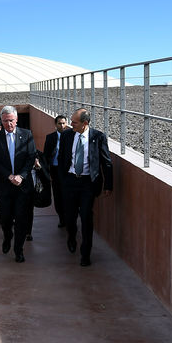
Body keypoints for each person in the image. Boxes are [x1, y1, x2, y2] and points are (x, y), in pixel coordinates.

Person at [58, 108, 113, 267]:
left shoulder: (98, 137)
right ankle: (71, 236)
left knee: (86, 217)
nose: (70, 124)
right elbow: (62, 159)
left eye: (74, 122)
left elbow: (106, 162)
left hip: (88, 183)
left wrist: (108, 185)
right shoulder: (66, 136)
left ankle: (85, 254)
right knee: (70, 217)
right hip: (70, 181)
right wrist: (62, 180)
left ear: (85, 123)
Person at [0, 106, 36, 263]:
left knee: (21, 218)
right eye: (5, 121)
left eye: (11, 120)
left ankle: (18, 249)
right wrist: (9, 176)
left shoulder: (27, 135)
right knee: (5, 218)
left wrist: (22, 176)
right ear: (1, 121)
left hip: (22, 185)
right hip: (4, 185)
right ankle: (7, 235)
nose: (8, 124)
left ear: (17, 119)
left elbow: (31, 157)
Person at [43, 115, 68, 229]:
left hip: (68, 171)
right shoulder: (50, 138)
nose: (62, 126)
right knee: (57, 195)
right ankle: (62, 218)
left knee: (67, 195)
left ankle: (69, 217)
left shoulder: (72, 136)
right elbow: (45, 155)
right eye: (59, 123)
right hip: (55, 170)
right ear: (55, 125)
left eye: (63, 123)